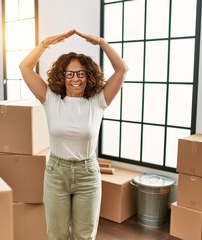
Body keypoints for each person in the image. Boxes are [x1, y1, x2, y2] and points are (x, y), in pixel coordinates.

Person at [19, 29, 128, 240]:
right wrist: (45, 43)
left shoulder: (98, 101)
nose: (75, 79)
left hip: (87, 174)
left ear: (88, 76)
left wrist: (102, 43)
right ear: (63, 76)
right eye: (69, 73)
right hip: (56, 173)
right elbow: (24, 67)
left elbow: (122, 70)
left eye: (80, 73)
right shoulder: (51, 99)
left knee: (84, 236)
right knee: (57, 235)